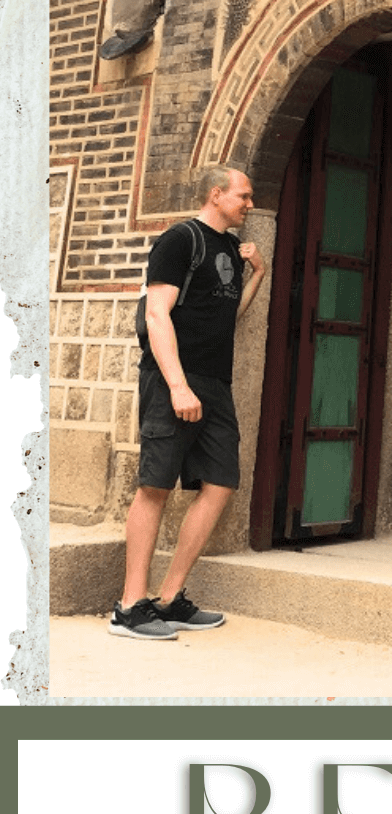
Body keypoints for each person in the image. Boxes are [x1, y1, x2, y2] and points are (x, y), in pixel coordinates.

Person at [110, 166, 266, 639]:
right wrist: (178, 385)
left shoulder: (229, 250)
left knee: (220, 483)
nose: (249, 204)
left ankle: (169, 598)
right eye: (243, 196)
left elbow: (227, 315)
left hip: (214, 382)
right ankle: (130, 606)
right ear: (216, 195)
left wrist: (260, 272)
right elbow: (158, 314)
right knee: (155, 485)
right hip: (171, 378)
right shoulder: (180, 240)